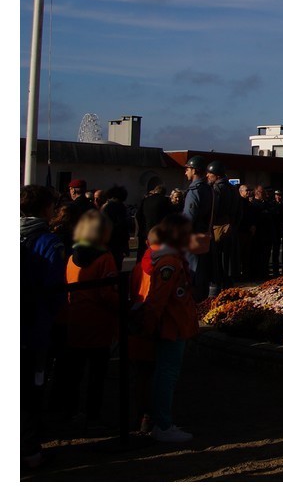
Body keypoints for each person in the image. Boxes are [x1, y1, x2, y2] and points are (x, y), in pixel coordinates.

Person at [129, 213, 198, 442]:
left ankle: (154, 419)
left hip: (168, 325)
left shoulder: (154, 259)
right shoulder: (169, 262)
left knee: (159, 374)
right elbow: (159, 299)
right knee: (166, 375)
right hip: (171, 326)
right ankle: (163, 424)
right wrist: (149, 325)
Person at [57, 210, 119, 431]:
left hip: (74, 317)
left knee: (73, 372)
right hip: (98, 320)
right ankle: (92, 414)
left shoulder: (72, 256)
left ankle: (69, 410)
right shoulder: (105, 257)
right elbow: (107, 293)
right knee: (96, 373)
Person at [21, 185, 67, 470]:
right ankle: (28, 450)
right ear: (45, 208)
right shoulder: (49, 242)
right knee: (30, 389)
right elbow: (54, 290)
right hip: (33, 327)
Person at [181, 155, 214, 301]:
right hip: (205, 235)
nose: (186, 172)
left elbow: (189, 217)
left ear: (194, 170)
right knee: (203, 271)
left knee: (192, 272)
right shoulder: (209, 189)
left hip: (192, 237)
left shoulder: (195, 190)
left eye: (187, 169)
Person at [206, 161, 240, 294]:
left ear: (217, 175)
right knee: (227, 258)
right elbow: (239, 211)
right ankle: (228, 284)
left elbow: (214, 209)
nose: (208, 176)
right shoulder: (233, 189)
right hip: (230, 226)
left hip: (217, 226)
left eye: (210, 174)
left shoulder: (216, 189)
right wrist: (233, 224)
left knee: (217, 258)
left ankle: (218, 286)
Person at [136, 180, 173, 261]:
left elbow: (138, 215)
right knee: (156, 255)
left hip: (145, 231)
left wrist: (141, 227)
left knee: (142, 254)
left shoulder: (145, 200)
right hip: (159, 233)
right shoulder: (165, 201)